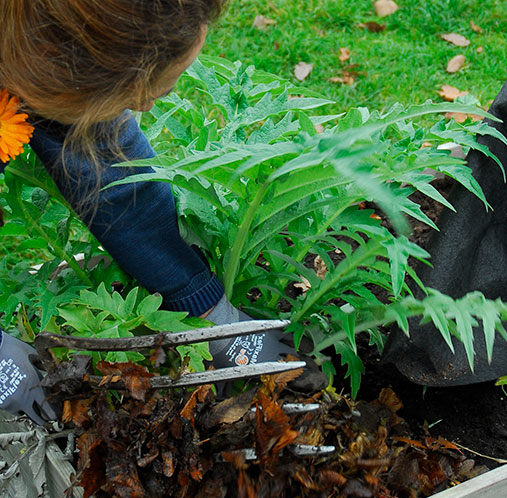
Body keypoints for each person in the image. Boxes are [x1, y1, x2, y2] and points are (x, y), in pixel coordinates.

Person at [0, 0, 326, 425]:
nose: (145, 108)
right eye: (139, 94)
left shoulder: (43, 40)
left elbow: (114, 179)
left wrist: (210, 313)